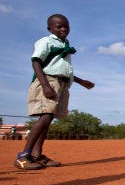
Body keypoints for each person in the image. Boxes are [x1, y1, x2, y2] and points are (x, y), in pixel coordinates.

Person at [14, 14, 95, 170]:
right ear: (49, 28)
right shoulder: (46, 41)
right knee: (46, 116)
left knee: (49, 118)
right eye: (59, 26)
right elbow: (36, 62)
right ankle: (23, 155)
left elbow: (61, 69)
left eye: (66, 26)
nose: (64, 29)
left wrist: (80, 81)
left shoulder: (65, 45)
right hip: (48, 81)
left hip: (62, 83)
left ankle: (37, 155)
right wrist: (45, 85)